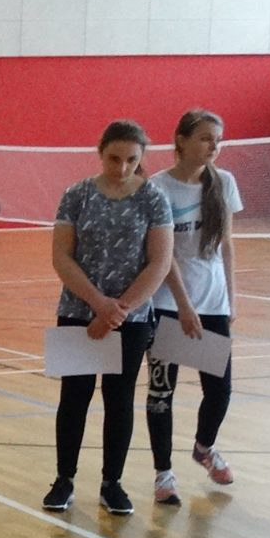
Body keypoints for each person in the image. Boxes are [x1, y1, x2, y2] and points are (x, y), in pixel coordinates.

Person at [43, 120, 174, 516]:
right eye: (114, 158)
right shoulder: (76, 195)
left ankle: (111, 483)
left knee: (119, 401)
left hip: (131, 319)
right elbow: (61, 257)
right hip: (77, 312)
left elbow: (159, 263)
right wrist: (98, 304)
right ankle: (64, 479)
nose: (122, 167)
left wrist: (119, 311)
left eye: (131, 160)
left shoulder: (154, 199)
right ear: (101, 153)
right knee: (74, 397)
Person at [146, 109, 241, 505]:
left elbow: (227, 244)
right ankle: (163, 475)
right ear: (181, 141)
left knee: (219, 390)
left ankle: (204, 447)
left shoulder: (224, 183)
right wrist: (183, 305)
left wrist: (231, 296)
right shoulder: (158, 188)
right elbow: (162, 254)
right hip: (168, 303)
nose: (213, 145)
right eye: (205, 138)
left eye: (217, 139)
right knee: (161, 394)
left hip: (213, 302)